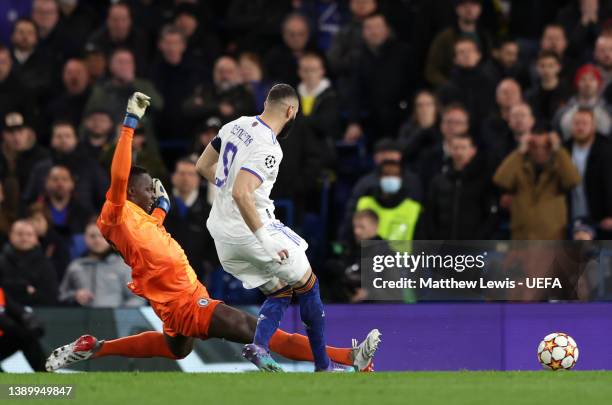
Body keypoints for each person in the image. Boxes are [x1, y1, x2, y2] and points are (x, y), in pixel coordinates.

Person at [46, 92, 380, 374]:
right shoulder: (116, 210)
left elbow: (150, 236)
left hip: (176, 296)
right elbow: (119, 176)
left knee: (176, 349)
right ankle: (347, 358)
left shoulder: (138, 220)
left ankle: (95, 347)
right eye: (148, 190)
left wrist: (162, 205)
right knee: (260, 332)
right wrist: (130, 124)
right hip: (186, 300)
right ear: (131, 191)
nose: (152, 194)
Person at [197, 85, 380, 372]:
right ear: (291, 111)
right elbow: (242, 193)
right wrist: (264, 239)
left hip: (222, 236)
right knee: (309, 285)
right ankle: (324, 367)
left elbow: (203, 165)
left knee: (280, 289)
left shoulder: (236, 124)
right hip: (252, 232)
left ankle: (259, 346)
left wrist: (229, 189)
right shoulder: (269, 147)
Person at [493, 128, 581, 240]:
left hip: (552, 238)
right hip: (522, 238)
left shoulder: (559, 169)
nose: (540, 151)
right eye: (534, 147)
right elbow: (500, 180)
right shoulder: (520, 167)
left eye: (546, 147)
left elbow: (573, 180)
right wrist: (519, 151)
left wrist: (559, 150)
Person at [338, 138, 422, 243]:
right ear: (376, 158)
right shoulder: (365, 184)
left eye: (391, 153)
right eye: (384, 154)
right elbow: (351, 215)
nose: (388, 157)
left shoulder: (413, 182)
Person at [424, 132, 497, 240]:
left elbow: (490, 217)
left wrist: (479, 241)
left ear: (472, 151)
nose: (459, 152)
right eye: (455, 148)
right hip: (443, 247)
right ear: (449, 150)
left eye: (463, 148)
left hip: (473, 248)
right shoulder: (438, 181)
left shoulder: (483, 181)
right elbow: (430, 215)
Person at [59, 221, 145, 308]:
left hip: (114, 320)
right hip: (83, 320)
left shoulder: (123, 266)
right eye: (92, 236)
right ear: (85, 238)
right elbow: (61, 296)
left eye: (102, 236)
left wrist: (119, 314)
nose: (97, 240)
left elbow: (138, 299)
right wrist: (75, 296)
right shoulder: (75, 266)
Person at [164, 157, 217, 281]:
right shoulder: (161, 208)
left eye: (191, 174)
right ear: (173, 177)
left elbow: (215, 245)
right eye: (182, 173)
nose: (186, 178)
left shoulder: (208, 211)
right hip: (165, 274)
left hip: (198, 278)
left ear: (198, 180)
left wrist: (207, 265)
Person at [565, 108, 612, 239]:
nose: (580, 127)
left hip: (600, 219)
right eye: (577, 123)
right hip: (570, 217)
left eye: (584, 123)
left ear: (593, 126)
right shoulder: (564, 150)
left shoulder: (606, 150)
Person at [425, 0, 492, 88]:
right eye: (464, 5)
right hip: (451, 93)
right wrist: (449, 87)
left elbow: (489, 66)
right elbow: (431, 70)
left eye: (473, 5)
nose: (469, 9)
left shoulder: (484, 37)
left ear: (480, 9)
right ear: (457, 9)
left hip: (479, 90)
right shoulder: (445, 37)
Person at [437, 37, 497, 132]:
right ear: (455, 59)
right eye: (461, 52)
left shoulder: (491, 83)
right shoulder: (446, 89)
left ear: (478, 55)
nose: (466, 55)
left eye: (470, 50)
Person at [355, 159, 423, 241]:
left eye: (395, 175)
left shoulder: (413, 208)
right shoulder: (364, 203)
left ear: (401, 178)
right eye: (386, 174)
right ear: (379, 177)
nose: (391, 178)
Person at [0, 220, 58, 306]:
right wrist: (24, 289)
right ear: (10, 235)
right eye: (19, 234)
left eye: (29, 234)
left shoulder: (45, 264)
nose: (24, 238)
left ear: (36, 238)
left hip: (40, 313)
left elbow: (51, 295)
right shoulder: (1, 261)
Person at [554, 63, 612, 139]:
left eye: (592, 79)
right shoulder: (563, 111)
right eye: (583, 79)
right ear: (577, 83)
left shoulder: (608, 111)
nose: (587, 84)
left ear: (599, 83)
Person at [0, 287, 46, 372]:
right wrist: (19, 330)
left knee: (28, 339)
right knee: (23, 334)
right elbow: (4, 322)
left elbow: (15, 310)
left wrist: (31, 321)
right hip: (8, 328)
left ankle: (45, 373)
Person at [525, 50, 572, 123]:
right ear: (537, 68)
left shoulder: (568, 92)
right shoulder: (530, 95)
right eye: (542, 66)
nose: (546, 70)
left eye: (551, 66)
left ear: (559, 67)